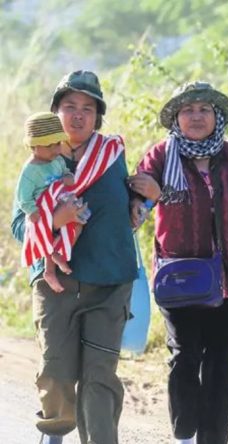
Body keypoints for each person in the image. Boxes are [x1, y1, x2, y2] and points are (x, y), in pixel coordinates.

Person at [10, 70, 150, 444]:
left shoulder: (112, 154)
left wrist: (144, 201)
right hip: (56, 284)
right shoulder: (37, 163)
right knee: (55, 372)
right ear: (55, 112)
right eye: (69, 106)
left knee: (99, 377)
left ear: (98, 116)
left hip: (109, 281)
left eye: (88, 108)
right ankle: (53, 436)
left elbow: (130, 203)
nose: (78, 115)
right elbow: (20, 227)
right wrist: (57, 220)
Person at [134, 81, 228, 444]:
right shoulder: (160, 156)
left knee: (223, 367)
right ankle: (185, 435)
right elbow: (136, 199)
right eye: (188, 109)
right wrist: (148, 196)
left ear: (216, 116)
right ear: (176, 117)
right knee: (185, 357)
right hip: (180, 276)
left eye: (204, 109)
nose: (195, 116)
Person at [15, 112, 81, 293]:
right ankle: (49, 268)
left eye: (58, 144)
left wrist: (68, 176)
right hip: (41, 209)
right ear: (33, 146)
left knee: (78, 224)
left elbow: (65, 171)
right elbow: (23, 197)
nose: (56, 150)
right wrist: (32, 211)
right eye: (49, 145)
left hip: (59, 202)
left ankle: (58, 251)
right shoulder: (30, 171)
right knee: (45, 234)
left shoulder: (57, 160)